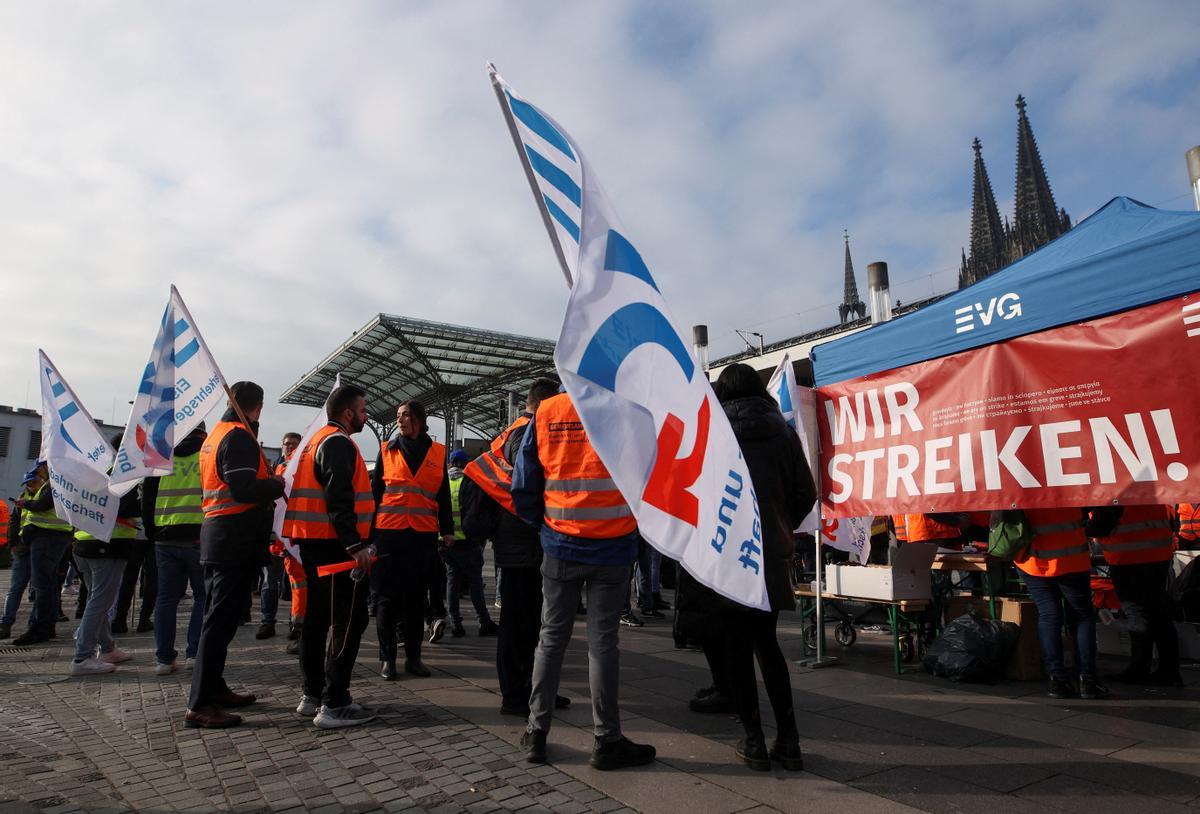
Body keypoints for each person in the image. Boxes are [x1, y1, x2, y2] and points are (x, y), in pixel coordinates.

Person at [511, 390, 655, 771]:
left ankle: (537, 733)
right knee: (603, 643)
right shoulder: (628, 408)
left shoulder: (547, 412)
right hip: (614, 546)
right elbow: (649, 474)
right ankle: (606, 740)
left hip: (561, 544)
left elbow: (523, 484)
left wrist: (545, 527)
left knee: (551, 638)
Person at [712, 363, 815, 772]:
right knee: (767, 644)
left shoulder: (715, 434)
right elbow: (805, 491)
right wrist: (779, 523)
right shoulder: (782, 430)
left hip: (727, 553)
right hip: (771, 550)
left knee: (735, 646)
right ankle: (789, 742)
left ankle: (753, 740)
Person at [460, 377, 569, 717]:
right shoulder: (526, 432)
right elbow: (530, 483)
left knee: (529, 621)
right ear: (547, 404)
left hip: (520, 540)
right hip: (522, 542)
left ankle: (534, 689)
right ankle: (515, 694)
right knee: (519, 622)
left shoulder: (514, 430)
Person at [184, 382, 286, 729]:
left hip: (221, 538)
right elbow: (242, 488)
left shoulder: (216, 434)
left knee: (222, 620)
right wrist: (276, 484)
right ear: (258, 407)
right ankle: (200, 702)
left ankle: (215, 688)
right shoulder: (239, 437)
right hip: (233, 540)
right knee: (218, 622)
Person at [284, 384, 377, 728]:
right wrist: (356, 545)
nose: (366, 416)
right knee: (347, 622)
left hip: (314, 543)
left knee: (317, 619)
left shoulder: (316, 442)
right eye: (363, 410)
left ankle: (313, 695)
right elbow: (339, 497)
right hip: (336, 548)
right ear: (348, 412)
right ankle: (334, 703)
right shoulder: (338, 443)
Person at [371, 400, 454, 679]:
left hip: (422, 535)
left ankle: (414, 658)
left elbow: (442, 494)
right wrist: (368, 536)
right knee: (386, 600)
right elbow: (374, 494)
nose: (400, 420)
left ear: (419, 418)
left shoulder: (437, 452)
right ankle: (388, 659)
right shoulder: (387, 450)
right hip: (389, 535)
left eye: (405, 415)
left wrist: (448, 529)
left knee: (416, 600)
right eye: (397, 416)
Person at [1012, 506, 1108, 700]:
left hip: (1034, 562)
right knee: (1082, 617)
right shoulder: (1070, 481)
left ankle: (1057, 680)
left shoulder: (1021, 483)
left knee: (1049, 617)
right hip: (1071, 559)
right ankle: (1088, 680)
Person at [70, 437, 141, 676]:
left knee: (96, 599)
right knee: (100, 602)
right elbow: (127, 507)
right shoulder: (123, 475)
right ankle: (83, 657)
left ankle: (108, 648)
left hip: (85, 544)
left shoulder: (94, 471)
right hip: (108, 546)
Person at [142, 423, 207, 675]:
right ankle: (194, 653)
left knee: (166, 598)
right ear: (202, 432)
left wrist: (152, 532)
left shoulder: (161, 456)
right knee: (202, 596)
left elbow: (147, 496)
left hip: (164, 536)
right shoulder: (206, 453)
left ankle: (164, 660)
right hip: (197, 535)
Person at [1090, 504, 1180, 686]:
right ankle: (1169, 671)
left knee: (1137, 614)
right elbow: (1172, 522)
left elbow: (1098, 527)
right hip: (1159, 558)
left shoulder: (1115, 493)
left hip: (1128, 560)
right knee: (1159, 614)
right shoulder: (1152, 491)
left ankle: (1139, 668)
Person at [13, 462, 74, 647]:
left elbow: (44, 504)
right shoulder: (59, 479)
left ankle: (41, 628)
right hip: (51, 537)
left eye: (41, 466)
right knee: (48, 584)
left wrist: (26, 504)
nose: (39, 470)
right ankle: (47, 626)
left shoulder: (58, 479)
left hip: (48, 537)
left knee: (43, 585)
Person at [443, 448, 498, 638]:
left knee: (452, 580)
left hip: (446, 541)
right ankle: (484, 621)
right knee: (475, 582)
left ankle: (456, 623)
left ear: (451, 463)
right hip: (467, 541)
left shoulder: (443, 481)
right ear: (465, 464)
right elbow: (475, 512)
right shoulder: (470, 481)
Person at [258, 432, 302, 640]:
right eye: (287, 444)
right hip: (275, 537)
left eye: (294, 444)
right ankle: (268, 622)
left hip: (294, 537)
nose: (290, 447)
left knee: (296, 583)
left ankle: (297, 624)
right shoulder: (273, 470)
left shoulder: (303, 471)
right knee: (269, 582)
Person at [0, 470, 38, 640]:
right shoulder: (23, 497)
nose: (29, 487)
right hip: (23, 549)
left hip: (41, 548)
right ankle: (6, 623)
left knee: (38, 590)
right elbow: (14, 521)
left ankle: (34, 625)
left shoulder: (48, 498)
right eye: (27, 484)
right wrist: (13, 544)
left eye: (32, 483)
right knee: (15, 589)